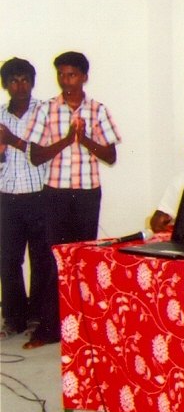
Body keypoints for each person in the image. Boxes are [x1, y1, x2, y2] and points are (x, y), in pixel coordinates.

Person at [25, 51, 120, 349]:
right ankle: (50, 329)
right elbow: (35, 156)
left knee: (83, 260)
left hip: (87, 194)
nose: (66, 81)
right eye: (61, 75)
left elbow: (111, 157)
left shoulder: (98, 110)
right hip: (55, 194)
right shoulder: (46, 109)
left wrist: (84, 139)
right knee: (54, 260)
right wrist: (67, 140)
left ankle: (83, 329)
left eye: (72, 75)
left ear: (84, 77)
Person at [0, 58, 56, 345]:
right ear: (5, 84)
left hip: (39, 195)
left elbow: (47, 152)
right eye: (14, 80)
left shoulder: (45, 111)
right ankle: (13, 318)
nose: (20, 86)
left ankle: (38, 317)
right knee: (8, 259)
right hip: (6, 197)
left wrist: (12, 140)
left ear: (32, 82)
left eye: (25, 80)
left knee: (41, 259)